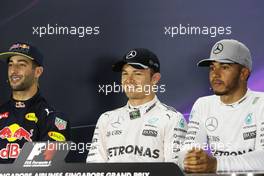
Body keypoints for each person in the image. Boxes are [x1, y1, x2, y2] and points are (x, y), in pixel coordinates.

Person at [86, 48, 187, 163]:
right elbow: (94, 168)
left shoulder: (172, 119)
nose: (129, 80)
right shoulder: (107, 118)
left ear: (155, 79)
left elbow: (175, 170)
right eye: (125, 74)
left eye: (137, 74)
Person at [179, 39, 264, 172]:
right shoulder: (203, 104)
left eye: (224, 67)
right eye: (212, 68)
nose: (215, 74)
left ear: (243, 73)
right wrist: (190, 159)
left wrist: (216, 164)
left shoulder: (261, 103)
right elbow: (188, 149)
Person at [0, 42, 70, 163]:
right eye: (11, 65)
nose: (13, 70)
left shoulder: (55, 119)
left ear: (38, 72)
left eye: (21, 65)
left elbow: (45, 165)